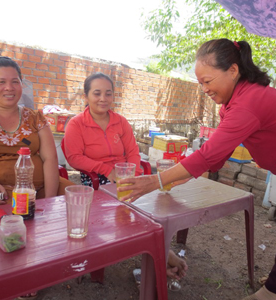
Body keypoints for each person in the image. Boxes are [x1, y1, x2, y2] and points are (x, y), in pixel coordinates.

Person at [118, 38, 276, 300]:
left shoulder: (250, 102)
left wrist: (155, 181)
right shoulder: (233, 104)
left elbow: (209, 154)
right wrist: (184, 174)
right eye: (200, 82)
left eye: (208, 81)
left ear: (233, 71)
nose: (203, 89)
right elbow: (215, 156)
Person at [63, 72, 188, 287]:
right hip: (95, 179)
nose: (103, 98)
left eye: (108, 93)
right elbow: (74, 157)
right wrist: (105, 170)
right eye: (97, 93)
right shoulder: (77, 124)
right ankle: (163, 254)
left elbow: (132, 151)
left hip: (125, 176)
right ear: (86, 96)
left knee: (153, 206)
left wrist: (133, 173)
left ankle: (157, 253)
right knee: (132, 209)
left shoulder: (120, 121)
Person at [0, 56, 75, 208]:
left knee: (81, 202)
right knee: (19, 225)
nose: (9, 87)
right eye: (1, 82)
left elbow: (50, 158)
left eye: (15, 81)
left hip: (44, 187)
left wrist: (49, 199)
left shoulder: (36, 118)